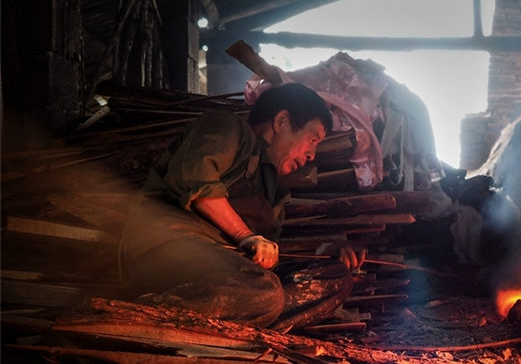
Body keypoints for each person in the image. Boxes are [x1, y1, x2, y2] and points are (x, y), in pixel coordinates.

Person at [119, 82, 365, 327]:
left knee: (333, 279)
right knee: (263, 292)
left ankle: (244, 320)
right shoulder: (228, 128)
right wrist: (245, 235)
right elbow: (194, 179)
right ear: (281, 121)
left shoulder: (274, 192)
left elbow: (267, 257)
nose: (312, 154)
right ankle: (135, 318)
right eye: (312, 139)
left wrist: (322, 255)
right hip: (168, 247)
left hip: (232, 274)